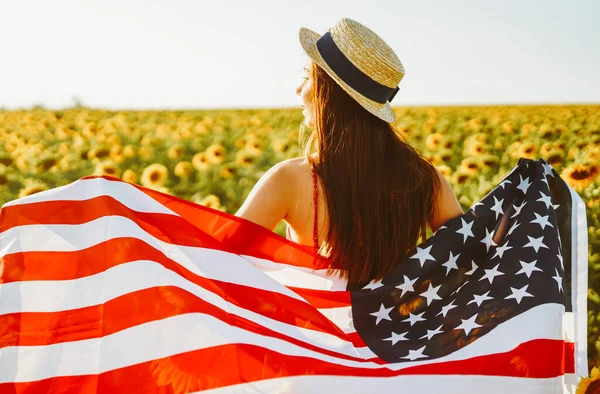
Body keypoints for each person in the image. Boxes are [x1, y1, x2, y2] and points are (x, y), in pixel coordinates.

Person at [236, 18, 463, 289]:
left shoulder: (289, 179)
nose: (299, 89)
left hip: (312, 331)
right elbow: (469, 258)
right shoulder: (424, 179)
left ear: (330, 92)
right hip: (391, 329)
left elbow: (217, 261)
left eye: (308, 78)